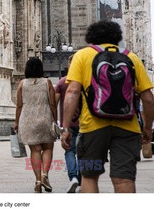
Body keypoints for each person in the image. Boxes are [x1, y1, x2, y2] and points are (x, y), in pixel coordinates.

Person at [61, 20, 154, 193]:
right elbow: (148, 99)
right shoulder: (131, 57)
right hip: (128, 129)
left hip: (92, 129)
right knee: (123, 179)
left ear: (91, 37)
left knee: (89, 176)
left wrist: (66, 127)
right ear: (117, 38)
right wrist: (147, 129)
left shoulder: (82, 56)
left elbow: (72, 92)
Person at [14, 57, 57, 193]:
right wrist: (55, 119)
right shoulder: (47, 82)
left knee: (35, 150)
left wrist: (16, 122)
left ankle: (38, 181)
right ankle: (45, 175)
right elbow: (52, 103)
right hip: (45, 118)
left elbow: (19, 105)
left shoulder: (22, 84)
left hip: (27, 120)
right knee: (48, 147)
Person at [54, 55, 81, 193]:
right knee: (82, 152)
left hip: (67, 124)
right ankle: (81, 181)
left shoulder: (62, 82)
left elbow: (54, 103)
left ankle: (73, 177)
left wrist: (55, 121)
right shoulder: (85, 81)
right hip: (84, 123)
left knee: (69, 151)